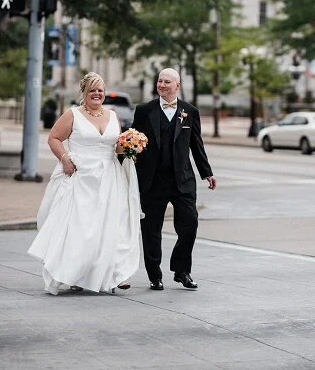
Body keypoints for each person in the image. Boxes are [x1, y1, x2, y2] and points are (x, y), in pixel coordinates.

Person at [28, 72, 141, 294]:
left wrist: (129, 148)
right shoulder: (73, 115)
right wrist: (64, 158)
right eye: (92, 90)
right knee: (82, 228)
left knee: (111, 225)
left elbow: (113, 147)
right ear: (84, 93)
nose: (97, 93)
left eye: (100, 89)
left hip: (110, 177)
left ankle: (113, 274)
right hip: (81, 177)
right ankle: (76, 274)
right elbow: (53, 138)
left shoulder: (112, 115)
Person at [131, 68, 217, 291]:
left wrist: (206, 172)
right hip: (152, 180)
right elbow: (133, 142)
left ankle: (182, 271)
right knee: (151, 228)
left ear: (177, 86)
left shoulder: (190, 111)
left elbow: (196, 145)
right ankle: (154, 275)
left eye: (167, 82)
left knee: (190, 223)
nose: (161, 85)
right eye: (159, 81)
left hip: (183, 180)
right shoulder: (144, 111)